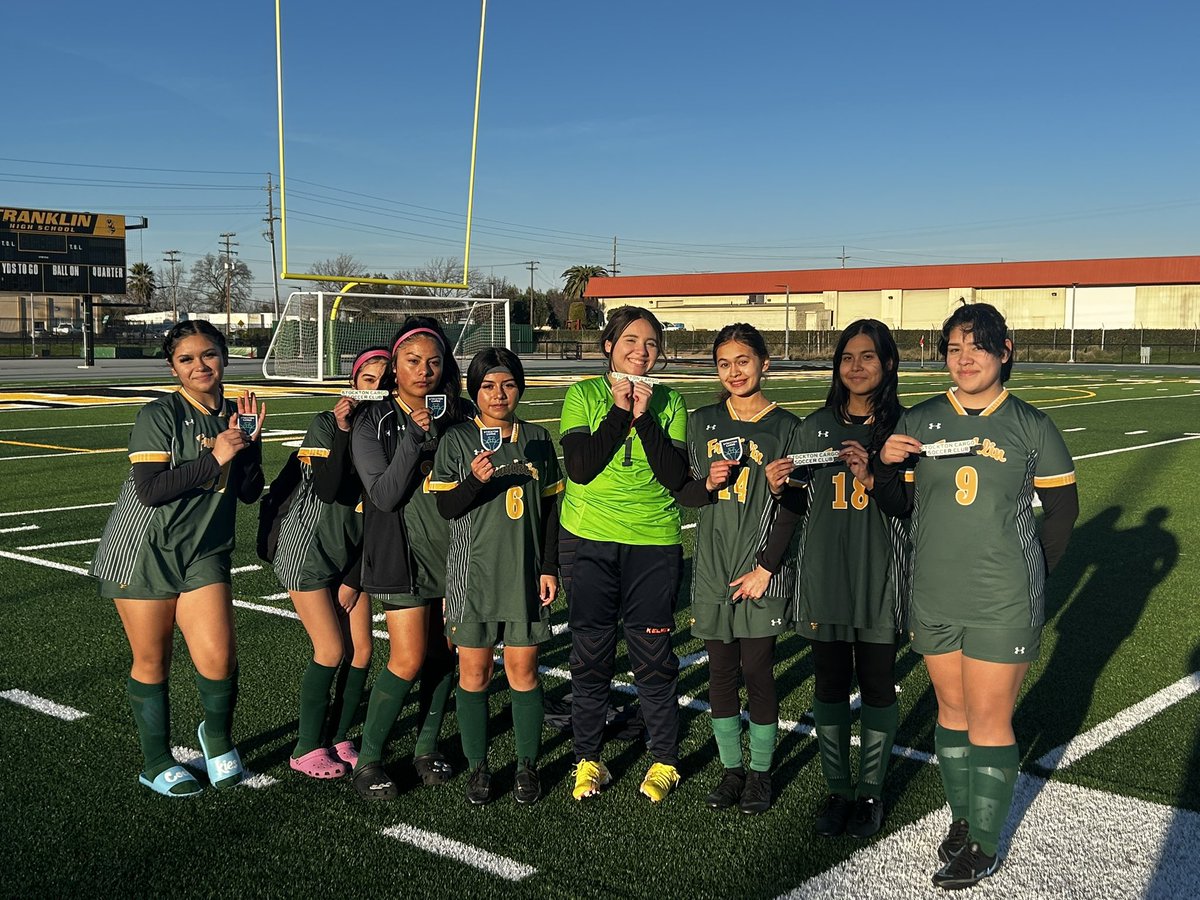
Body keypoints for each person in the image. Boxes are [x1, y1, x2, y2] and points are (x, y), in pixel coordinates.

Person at [872, 303, 1078, 889]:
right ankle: (965, 818)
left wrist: (1032, 573)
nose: (965, 359)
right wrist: (886, 466)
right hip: (934, 594)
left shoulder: (1031, 424)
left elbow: (1062, 512)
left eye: (978, 347)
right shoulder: (922, 418)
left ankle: (984, 844)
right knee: (953, 714)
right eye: (954, 348)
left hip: (1001, 600)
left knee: (989, 719)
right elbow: (899, 504)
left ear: (1004, 351)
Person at [89, 320, 265, 796]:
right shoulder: (160, 414)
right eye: (186, 359)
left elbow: (249, 493)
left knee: (219, 658)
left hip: (204, 550)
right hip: (143, 549)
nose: (200, 365)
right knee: (153, 660)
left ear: (224, 357)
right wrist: (218, 456)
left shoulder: (235, 414)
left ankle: (217, 737)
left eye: (208, 354)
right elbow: (149, 491)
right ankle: (155, 760)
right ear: (173, 368)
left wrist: (249, 445)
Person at [558, 306, 690, 802]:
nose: (641, 350)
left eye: (652, 343)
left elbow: (675, 478)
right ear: (608, 345)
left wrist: (642, 416)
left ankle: (664, 759)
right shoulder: (584, 395)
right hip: (589, 539)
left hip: (653, 542)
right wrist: (617, 413)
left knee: (653, 657)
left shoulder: (671, 401)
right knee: (590, 654)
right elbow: (581, 469)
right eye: (630, 340)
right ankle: (588, 758)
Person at [676, 323, 802, 814]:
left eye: (743, 361)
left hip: (759, 568)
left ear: (764, 364)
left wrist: (766, 567)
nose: (734, 371)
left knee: (758, 670)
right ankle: (732, 770)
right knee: (721, 673)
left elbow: (797, 507)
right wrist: (706, 482)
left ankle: (761, 773)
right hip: (712, 565)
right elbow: (686, 494)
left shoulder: (786, 425)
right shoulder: (703, 421)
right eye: (724, 363)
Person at [431, 348, 563, 805]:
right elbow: (447, 507)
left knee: (523, 671)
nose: (498, 393)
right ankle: (479, 768)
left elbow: (551, 512)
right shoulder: (457, 440)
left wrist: (550, 567)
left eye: (507, 384)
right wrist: (473, 480)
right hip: (473, 575)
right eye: (487, 385)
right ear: (474, 391)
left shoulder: (539, 438)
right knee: (476, 672)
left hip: (525, 573)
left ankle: (527, 766)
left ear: (520, 387)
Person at [793, 319, 907, 839]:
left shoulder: (904, 427)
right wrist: (778, 487)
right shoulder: (813, 425)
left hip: (880, 572)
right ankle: (837, 788)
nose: (856, 367)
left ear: (887, 364)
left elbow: (912, 507)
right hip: (826, 575)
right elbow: (796, 504)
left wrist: (872, 477)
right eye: (847, 357)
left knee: (879, 684)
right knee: (831, 684)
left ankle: (871, 792)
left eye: (867, 357)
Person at [349, 318, 467, 799]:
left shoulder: (457, 415)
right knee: (408, 656)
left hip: (455, 553)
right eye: (413, 361)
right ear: (394, 368)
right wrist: (416, 440)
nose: (424, 371)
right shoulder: (371, 421)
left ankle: (425, 747)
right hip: (402, 553)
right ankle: (370, 759)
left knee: (444, 656)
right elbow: (384, 494)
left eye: (433, 362)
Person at [273, 346, 390, 778]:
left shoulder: (390, 429)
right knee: (331, 649)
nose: (378, 388)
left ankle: (340, 737)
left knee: (362, 651)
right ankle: (306, 747)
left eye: (386, 380)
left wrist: (357, 574)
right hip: (309, 548)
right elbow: (327, 488)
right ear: (355, 382)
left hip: (352, 552)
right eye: (370, 380)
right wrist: (343, 428)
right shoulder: (325, 423)